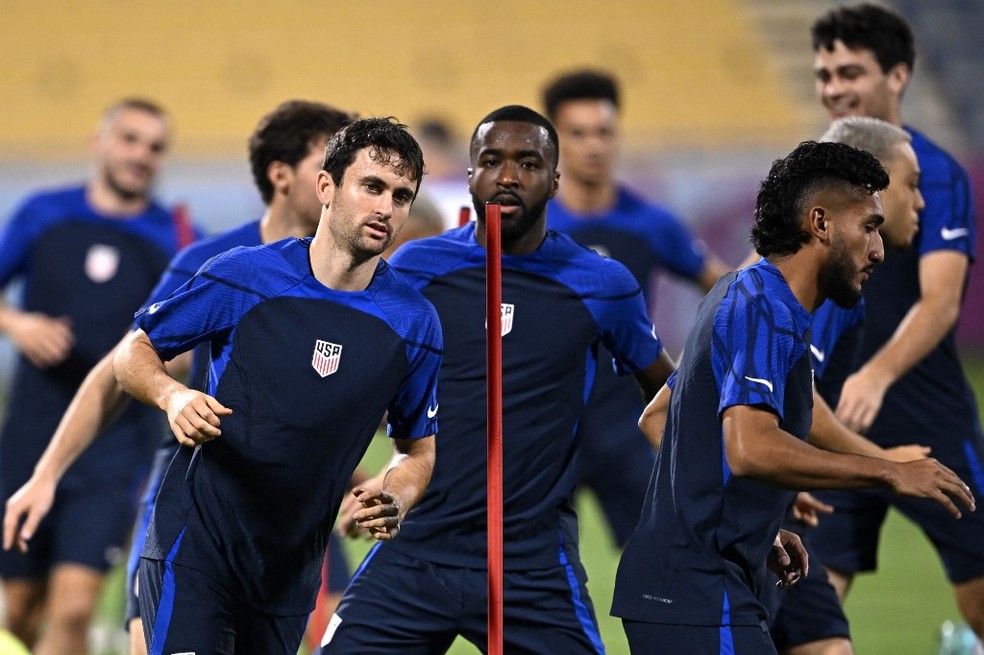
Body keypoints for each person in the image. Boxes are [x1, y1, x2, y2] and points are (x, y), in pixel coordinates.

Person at [2, 99, 354, 655]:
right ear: (282, 175)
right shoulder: (216, 260)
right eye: (330, 166)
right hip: (192, 501)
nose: (348, 183)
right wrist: (48, 473)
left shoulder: (359, 285)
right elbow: (121, 366)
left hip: (289, 512)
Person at [321, 105, 675, 654]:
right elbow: (362, 386)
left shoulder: (601, 284)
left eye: (528, 163)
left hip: (531, 565)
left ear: (554, 180)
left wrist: (717, 501)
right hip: (416, 552)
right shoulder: (417, 268)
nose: (507, 176)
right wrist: (373, 481)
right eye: (491, 161)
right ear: (470, 176)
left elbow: (668, 395)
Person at [611, 140, 975, 655]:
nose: (877, 250)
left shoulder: (745, 291)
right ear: (820, 223)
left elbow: (659, 416)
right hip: (698, 593)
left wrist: (742, 518)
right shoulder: (764, 309)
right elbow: (750, 448)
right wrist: (889, 472)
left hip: (691, 585)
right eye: (868, 226)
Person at [111, 117, 441, 654]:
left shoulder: (415, 323)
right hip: (196, 546)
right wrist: (174, 396)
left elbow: (417, 449)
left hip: (289, 572)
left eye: (401, 196)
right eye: (372, 187)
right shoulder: (244, 276)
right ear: (327, 187)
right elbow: (134, 352)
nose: (386, 208)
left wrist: (395, 496)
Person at [807, 4, 984, 641]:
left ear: (899, 75)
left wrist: (877, 375)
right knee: (813, 604)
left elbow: (940, 300)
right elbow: (768, 268)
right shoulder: (812, 172)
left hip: (925, 415)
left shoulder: (936, 175)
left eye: (850, 72)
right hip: (832, 419)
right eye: (824, 75)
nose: (834, 88)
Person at [0, 97, 199, 654]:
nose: (141, 155)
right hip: (30, 434)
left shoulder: (177, 238)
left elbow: (193, 339)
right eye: (130, 139)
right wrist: (18, 324)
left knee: (73, 610)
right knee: (18, 609)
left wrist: (163, 367)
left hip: (116, 448)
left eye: (155, 147)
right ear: (100, 141)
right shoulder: (44, 213)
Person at [541, 69, 730, 547]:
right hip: (544, 427)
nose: (593, 146)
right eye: (578, 133)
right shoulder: (529, 226)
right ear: (553, 139)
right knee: (527, 566)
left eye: (603, 132)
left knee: (663, 559)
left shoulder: (650, 223)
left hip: (628, 426)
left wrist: (692, 365)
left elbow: (729, 290)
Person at [766, 116, 925, 655]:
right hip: (753, 520)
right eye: (910, 184)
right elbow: (797, 396)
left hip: (780, 503)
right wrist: (887, 464)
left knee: (827, 643)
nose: (919, 202)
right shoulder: (821, 284)